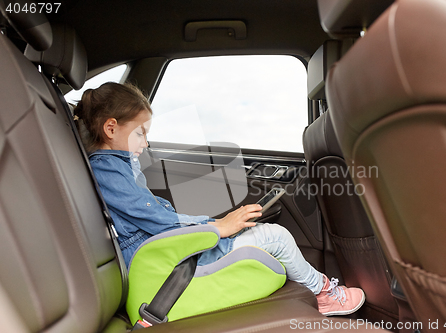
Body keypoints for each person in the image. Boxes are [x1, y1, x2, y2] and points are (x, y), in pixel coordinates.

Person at [73, 82, 365, 316]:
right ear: (111, 128)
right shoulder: (108, 168)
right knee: (277, 238)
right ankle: (323, 294)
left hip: (169, 252)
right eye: (140, 133)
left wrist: (213, 224)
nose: (146, 143)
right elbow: (151, 216)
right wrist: (215, 227)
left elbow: (152, 215)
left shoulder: (117, 165)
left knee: (266, 234)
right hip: (164, 262)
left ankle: (321, 289)